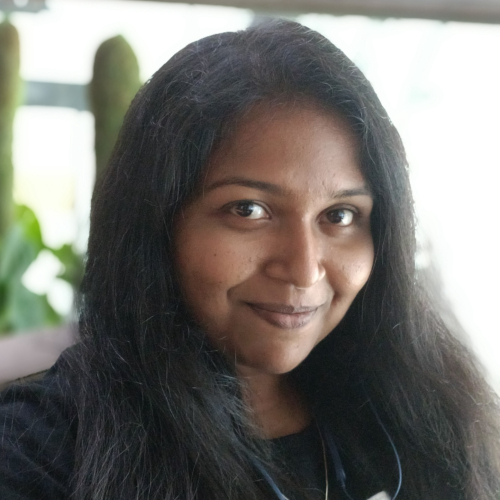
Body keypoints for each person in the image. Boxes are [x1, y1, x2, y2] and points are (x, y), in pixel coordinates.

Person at [1, 19, 499, 500]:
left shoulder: (433, 422)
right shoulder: (39, 450)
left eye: (340, 215)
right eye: (248, 210)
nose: (303, 269)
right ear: (155, 221)